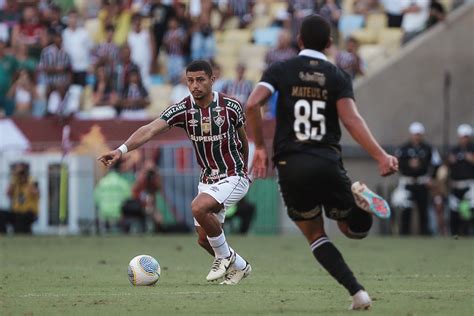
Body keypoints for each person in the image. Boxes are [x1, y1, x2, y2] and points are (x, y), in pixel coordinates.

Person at [245, 15, 398, 310]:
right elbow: (351, 120)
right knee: (353, 230)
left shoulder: (280, 69)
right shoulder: (338, 76)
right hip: (328, 160)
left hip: (291, 164)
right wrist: (380, 155)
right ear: (329, 44)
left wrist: (261, 149)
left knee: (315, 235)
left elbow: (252, 104)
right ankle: (356, 196)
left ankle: (358, 293)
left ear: (299, 41)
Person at [98, 60, 252, 285]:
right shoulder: (183, 109)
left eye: (200, 80)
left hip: (233, 175)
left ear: (212, 80)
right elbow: (149, 129)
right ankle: (240, 266)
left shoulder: (231, 106)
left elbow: (243, 139)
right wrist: (121, 150)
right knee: (203, 239)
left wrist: (244, 170)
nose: (195, 85)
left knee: (198, 207)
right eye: (190, 81)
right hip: (207, 179)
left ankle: (224, 258)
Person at [395, 122, 441, 235]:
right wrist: (408, 164)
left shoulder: (428, 148)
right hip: (407, 183)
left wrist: (432, 178)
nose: (417, 137)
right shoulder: (403, 149)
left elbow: (436, 164)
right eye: (415, 134)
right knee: (406, 210)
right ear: (411, 135)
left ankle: (424, 234)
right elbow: (396, 163)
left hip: (422, 183)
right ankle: (404, 234)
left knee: (423, 209)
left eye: (419, 134)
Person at [447, 124, 474, 236]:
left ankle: (469, 233)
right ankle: (455, 234)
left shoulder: (472, 149)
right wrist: (449, 161)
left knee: (470, 210)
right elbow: (446, 165)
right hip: (456, 185)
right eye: (462, 137)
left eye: (466, 137)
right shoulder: (454, 150)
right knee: (455, 210)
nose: (464, 139)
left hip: (470, 185)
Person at [93, 159, 132, 233]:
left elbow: (96, 199)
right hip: (118, 213)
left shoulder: (102, 182)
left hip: (104, 213)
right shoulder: (123, 182)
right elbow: (128, 198)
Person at [0, 162, 39, 234]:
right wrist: (14, 180)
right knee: (1, 214)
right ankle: (2, 234)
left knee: (20, 222)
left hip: (29, 212)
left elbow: (36, 192)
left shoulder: (32, 182)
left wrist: (28, 182)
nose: (21, 176)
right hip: (17, 212)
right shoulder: (15, 183)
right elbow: (8, 194)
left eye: (22, 173)